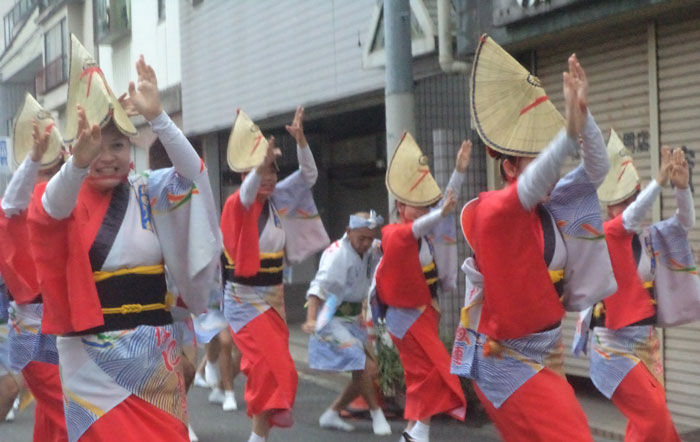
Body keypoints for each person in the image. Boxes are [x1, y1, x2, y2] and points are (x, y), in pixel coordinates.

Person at [27, 35, 220, 442]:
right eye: (97, 146)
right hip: (92, 359)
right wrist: (77, 164)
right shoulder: (59, 197)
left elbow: (194, 174)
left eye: (118, 144)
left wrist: (160, 118)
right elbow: (48, 217)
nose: (108, 155)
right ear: (77, 148)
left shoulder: (150, 190)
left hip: (156, 352)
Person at [450, 36, 616, 442]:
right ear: (508, 165)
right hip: (505, 360)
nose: (553, 172)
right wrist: (564, 139)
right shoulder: (493, 212)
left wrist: (582, 115)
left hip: (545, 353)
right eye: (538, 158)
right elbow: (528, 188)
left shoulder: (556, 206)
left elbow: (597, 167)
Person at [573, 129, 694, 441]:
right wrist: (658, 182)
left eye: (632, 199)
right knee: (654, 418)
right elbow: (628, 219)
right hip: (612, 344)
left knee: (642, 424)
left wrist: (681, 189)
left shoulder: (649, 237)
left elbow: (683, 223)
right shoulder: (606, 235)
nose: (627, 207)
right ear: (609, 208)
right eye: (620, 203)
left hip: (645, 341)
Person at [220, 107, 330, 442]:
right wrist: (259, 165)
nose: (269, 176)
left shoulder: (279, 199)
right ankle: (257, 437)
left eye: (273, 170)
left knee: (281, 370)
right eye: (263, 171)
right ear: (247, 173)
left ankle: (260, 436)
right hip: (242, 300)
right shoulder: (237, 204)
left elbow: (309, 176)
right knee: (263, 369)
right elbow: (249, 192)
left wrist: (301, 142)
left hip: (274, 298)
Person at [372, 132, 470, 442]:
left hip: (425, 311)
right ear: (400, 206)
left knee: (423, 373)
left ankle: (415, 431)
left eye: (425, 206)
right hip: (406, 317)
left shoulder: (424, 230)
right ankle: (420, 431)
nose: (423, 211)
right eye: (415, 206)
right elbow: (422, 223)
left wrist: (460, 171)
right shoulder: (393, 233)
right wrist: (439, 213)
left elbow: (443, 206)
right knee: (429, 371)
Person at [0, 93, 68, 442]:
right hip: (31, 327)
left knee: (52, 416)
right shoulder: (14, 208)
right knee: (70, 411)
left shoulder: (64, 205)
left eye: (56, 167)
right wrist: (34, 159)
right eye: (46, 167)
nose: (51, 173)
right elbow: (12, 201)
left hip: (69, 325)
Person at [302, 210, 391, 435]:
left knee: (368, 372)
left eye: (370, 238)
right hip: (330, 315)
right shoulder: (336, 255)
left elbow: (390, 245)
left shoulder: (372, 247)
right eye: (361, 238)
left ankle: (333, 412)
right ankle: (376, 414)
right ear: (349, 232)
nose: (366, 243)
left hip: (354, 317)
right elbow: (318, 288)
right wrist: (311, 319)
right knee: (362, 364)